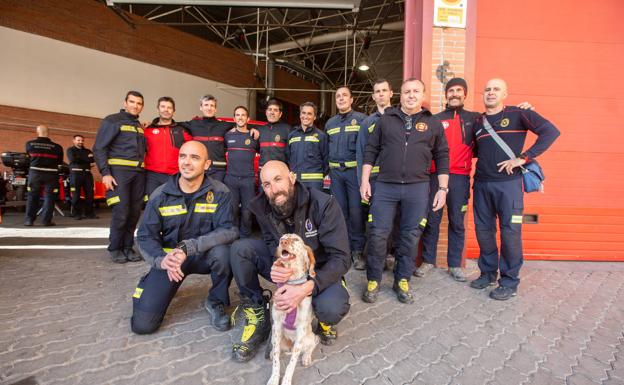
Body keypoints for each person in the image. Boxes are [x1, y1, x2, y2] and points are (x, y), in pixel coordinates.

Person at [229, 160, 350, 362]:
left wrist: (306, 287)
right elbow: (269, 241)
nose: (274, 189)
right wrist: (276, 264)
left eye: (278, 180)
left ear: (292, 178)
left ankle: (324, 314)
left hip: (317, 271)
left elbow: (342, 257)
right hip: (288, 265)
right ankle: (259, 311)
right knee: (240, 249)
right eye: (267, 184)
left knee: (331, 308)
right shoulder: (262, 206)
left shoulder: (323, 204)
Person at [131, 141, 238, 334]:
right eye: (183, 156)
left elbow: (229, 230)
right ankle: (151, 282)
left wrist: (189, 247)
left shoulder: (220, 192)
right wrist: (160, 260)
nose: (187, 162)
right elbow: (145, 235)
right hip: (171, 261)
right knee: (143, 325)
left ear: (207, 164)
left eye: (195, 157)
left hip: (205, 256)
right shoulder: (160, 195)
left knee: (225, 252)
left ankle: (216, 301)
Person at [360, 78, 449, 304]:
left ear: (423, 94)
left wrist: (442, 189)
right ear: (400, 94)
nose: (411, 95)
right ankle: (373, 279)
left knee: (410, 236)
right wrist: (364, 181)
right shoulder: (386, 120)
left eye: (416, 91)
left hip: (418, 188)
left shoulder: (433, 123)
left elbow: (442, 156)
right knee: (378, 234)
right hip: (386, 187)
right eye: (407, 91)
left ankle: (402, 280)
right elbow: (371, 150)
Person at [470, 78, 559, 300]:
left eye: (496, 89)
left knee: (510, 233)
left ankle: (509, 281)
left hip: (508, 186)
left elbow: (551, 132)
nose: (491, 92)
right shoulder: (478, 122)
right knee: (484, 231)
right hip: (481, 184)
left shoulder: (519, 114)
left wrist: (524, 158)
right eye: (487, 89)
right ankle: (488, 273)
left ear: (505, 94)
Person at [93, 90, 146, 264]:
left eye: (139, 103)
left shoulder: (139, 126)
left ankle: (127, 247)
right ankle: (115, 248)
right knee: (121, 212)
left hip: (138, 174)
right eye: (132, 102)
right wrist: (105, 173)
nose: (135, 105)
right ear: (125, 103)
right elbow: (99, 148)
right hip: (118, 174)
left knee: (133, 213)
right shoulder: (112, 120)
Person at [325, 86, 368, 268]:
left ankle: (358, 252)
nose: (341, 99)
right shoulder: (330, 124)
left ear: (351, 99)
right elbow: (326, 149)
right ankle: (344, 250)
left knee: (356, 212)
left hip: (353, 173)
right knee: (340, 213)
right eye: (338, 96)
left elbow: (368, 148)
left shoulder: (361, 120)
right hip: (336, 174)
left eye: (344, 96)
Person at [356, 78, 395, 271]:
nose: (381, 94)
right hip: (373, 181)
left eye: (384, 90)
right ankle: (368, 256)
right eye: (377, 91)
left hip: (395, 180)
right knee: (373, 221)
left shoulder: (399, 118)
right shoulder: (367, 123)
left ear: (391, 93)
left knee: (392, 220)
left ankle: (387, 255)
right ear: (373, 96)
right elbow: (362, 154)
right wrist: (362, 183)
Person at [185, 95, 258, 182]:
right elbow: (174, 125)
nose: (209, 108)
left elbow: (241, 123)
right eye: (206, 105)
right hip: (199, 169)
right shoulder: (193, 124)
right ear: (201, 107)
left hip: (218, 172)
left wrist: (253, 128)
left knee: (217, 195)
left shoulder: (223, 125)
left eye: (212, 105)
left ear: (216, 109)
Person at [144, 96, 192, 197]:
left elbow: (192, 149)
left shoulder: (181, 130)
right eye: (163, 106)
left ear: (174, 111)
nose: (166, 110)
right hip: (152, 176)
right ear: (158, 109)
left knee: (174, 207)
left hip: (175, 176)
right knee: (153, 206)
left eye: (169, 107)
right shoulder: (147, 130)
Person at [224, 106, 259, 238]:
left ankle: (245, 237)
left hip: (248, 180)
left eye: (243, 115)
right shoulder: (228, 135)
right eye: (237, 115)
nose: (240, 117)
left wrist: (256, 130)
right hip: (231, 179)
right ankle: (233, 235)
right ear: (234, 118)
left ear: (248, 118)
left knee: (247, 212)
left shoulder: (254, 136)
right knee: (232, 210)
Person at [24, 125, 63, 226]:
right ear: (48, 133)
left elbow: (27, 159)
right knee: (50, 197)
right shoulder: (57, 147)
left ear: (37, 132)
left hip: (35, 173)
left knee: (32, 196)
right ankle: (46, 221)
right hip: (51, 174)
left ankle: (29, 220)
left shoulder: (29, 144)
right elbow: (59, 161)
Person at [287, 102, 329, 191]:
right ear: (300, 115)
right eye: (303, 113)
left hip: (314, 183)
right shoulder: (292, 135)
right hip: (296, 181)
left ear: (314, 117)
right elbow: (288, 158)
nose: (306, 116)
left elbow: (326, 160)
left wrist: (319, 177)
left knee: (314, 205)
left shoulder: (321, 136)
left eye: (309, 114)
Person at [66, 134, 97, 219]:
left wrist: (82, 159)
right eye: (78, 140)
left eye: (82, 140)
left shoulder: (88, 151)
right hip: (76, 174)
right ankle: (76, 214)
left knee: (90, 195)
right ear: (74, 141)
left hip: (87, 174)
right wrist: (87, 159)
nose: (80, 142)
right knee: (76, 195)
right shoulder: (70, 150)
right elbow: (73, 159)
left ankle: (89, 213)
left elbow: (93, 161)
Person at [258, 99, 291, 167]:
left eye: (275, 110)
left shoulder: (288, 129)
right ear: (266, 112)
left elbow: (292, 153)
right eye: (270, 109)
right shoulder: (260, 130)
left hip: (280, 172)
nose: (272, 112)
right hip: (263, 171)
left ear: (280, 114)